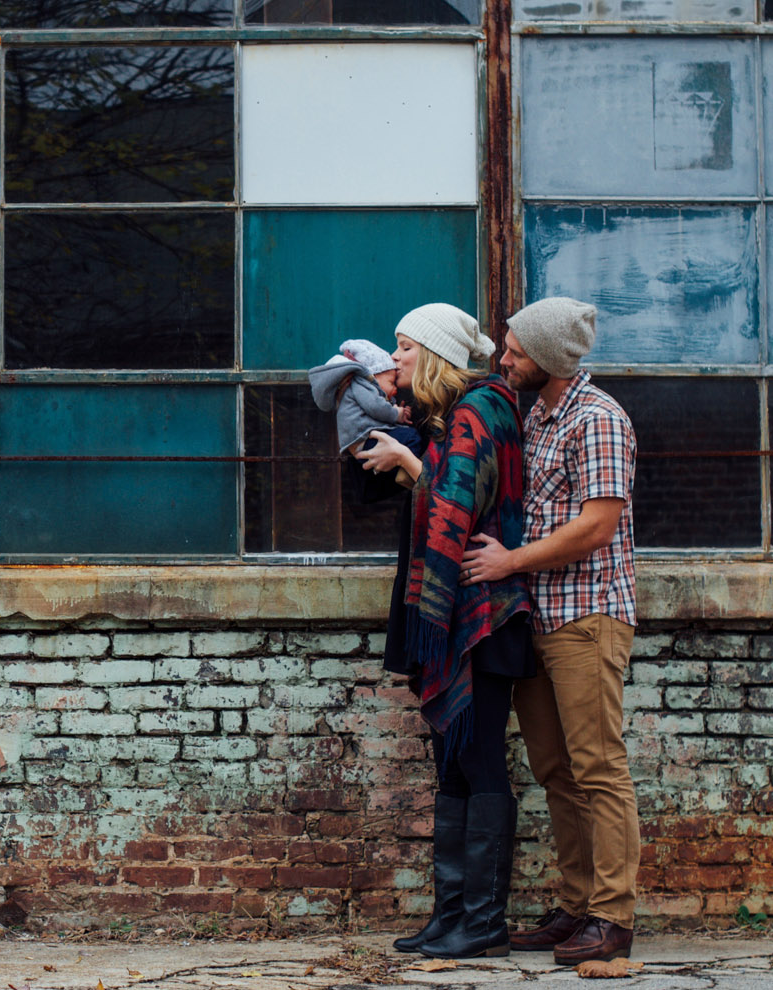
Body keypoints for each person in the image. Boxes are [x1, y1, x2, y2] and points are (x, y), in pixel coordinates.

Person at [460, 297, 639, 965]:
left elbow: (596, 525)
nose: (503, 358)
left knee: (599, 769)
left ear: (551, 359)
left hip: (586, 616)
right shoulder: (533, 415)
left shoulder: (598, 421)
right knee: (556, 770)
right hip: (533, 618)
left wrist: (509, 562)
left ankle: (613, 920)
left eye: (514, 350)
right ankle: (576, 907)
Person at [355, 303, 533, 960]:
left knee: (480, 760)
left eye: (402, 348)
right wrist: (387, 427)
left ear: (431, 355)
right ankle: (451, 916)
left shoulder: (482, 411)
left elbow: (463, 500)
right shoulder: (441, 420)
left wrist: (412, 462)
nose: (393, 358)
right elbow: (386, 492)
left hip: (482, 618)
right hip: (453, 616)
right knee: (451, 765)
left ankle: (483, 924)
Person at [308, 339, 423, 482]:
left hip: (362, 441)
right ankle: (408, 474)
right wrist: (397, 415)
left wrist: (394, 409)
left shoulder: (361, 388)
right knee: (412, 436)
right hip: (364, 438)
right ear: (374, 376)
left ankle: (406, 472)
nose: (395, 389)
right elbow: (376, 407)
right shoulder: (362, 384)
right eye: (391, 383)